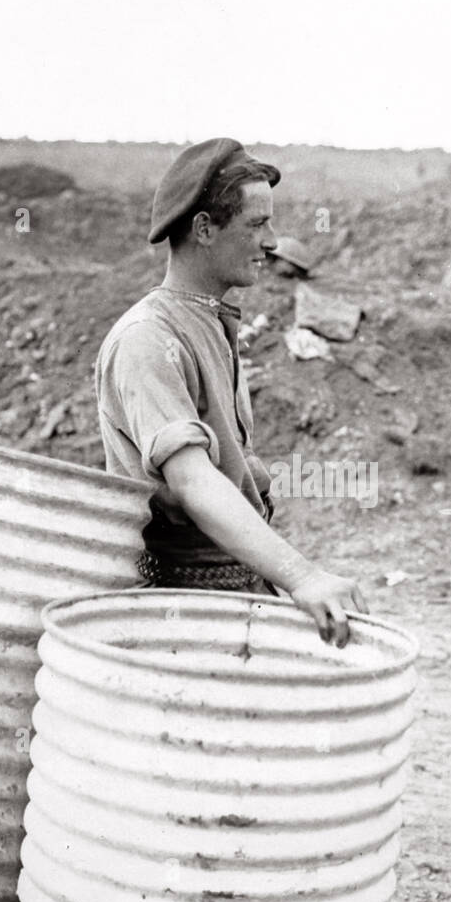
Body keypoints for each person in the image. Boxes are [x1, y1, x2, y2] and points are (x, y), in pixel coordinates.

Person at [95, 138, 365, 646]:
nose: (273, 243)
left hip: (229, 589)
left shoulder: (209, 321)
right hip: (179, 608)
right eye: (257, 225)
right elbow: (194, 482)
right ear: (204, 228)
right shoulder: (148, 339)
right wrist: (302, 576)